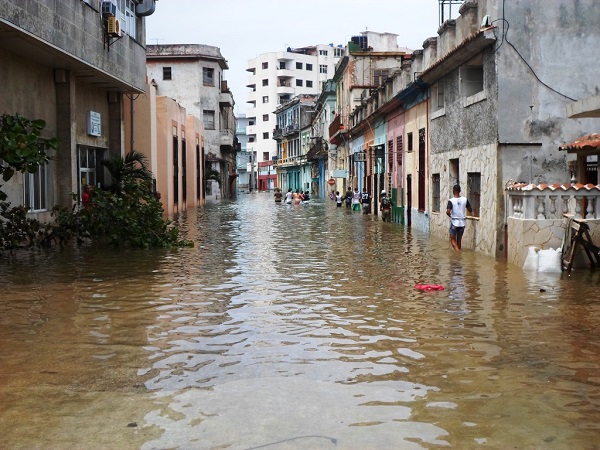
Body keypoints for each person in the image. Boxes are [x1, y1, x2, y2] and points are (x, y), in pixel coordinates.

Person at [446, 184, 473, 251]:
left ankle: (458, 253)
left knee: (452, 239)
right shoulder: (465, 199)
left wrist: (450, 215)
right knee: (459, 240)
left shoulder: (451, 200)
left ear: (453, 191)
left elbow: (448, 211)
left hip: (455, 222)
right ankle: (458, 259)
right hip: (462, 223)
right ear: (460, 191)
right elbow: (470, 209)